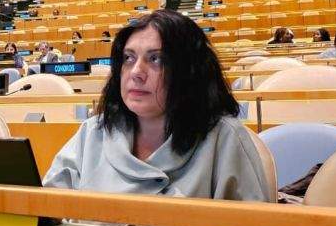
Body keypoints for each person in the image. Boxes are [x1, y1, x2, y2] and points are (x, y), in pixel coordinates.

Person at [42, 10, 269, 201]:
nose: (136, 72)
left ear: (189, 71)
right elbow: (46, 210)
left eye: (156, 59)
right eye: (129, 58)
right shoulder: (93, 132)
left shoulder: (225, 139)